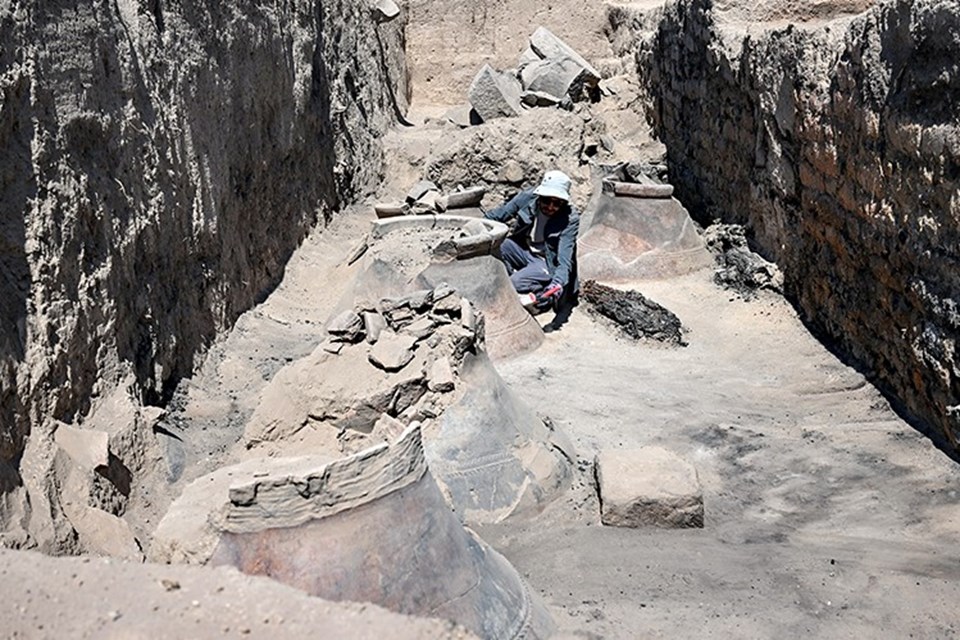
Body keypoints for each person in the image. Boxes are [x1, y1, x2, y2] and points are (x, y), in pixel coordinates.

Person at [484, 170, 580, 310]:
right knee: (499, 246)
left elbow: (565, 261)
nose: (551, 207)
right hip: (523, 248)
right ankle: (520, 276)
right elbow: (496, 216)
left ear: (563, 203)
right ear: (539, 196)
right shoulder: (526, 198)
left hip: (545, 261)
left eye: (557, 203)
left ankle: (539, 288)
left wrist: (557, 285)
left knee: (513, 283)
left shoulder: (570, 219)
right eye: (546, 200)